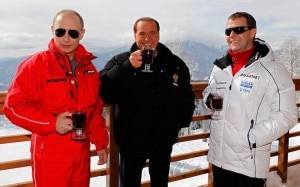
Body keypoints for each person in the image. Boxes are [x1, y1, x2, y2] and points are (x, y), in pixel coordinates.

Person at [3, 9, 109, 187]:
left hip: (81, 156)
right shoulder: (36, 65)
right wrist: (53, 123)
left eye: (73, 33)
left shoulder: (88, 69)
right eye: (61, 32)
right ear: (52, 30)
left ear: (82, 34)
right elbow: (13, 107)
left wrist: (100, 142)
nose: (66, 38)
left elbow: (95, 110)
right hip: (50, 156)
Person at [202, 12, 297, 187]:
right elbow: (208, 95)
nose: (232, 35)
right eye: (228, 31)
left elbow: (288, 115)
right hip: (219, 158)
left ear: (253, 32)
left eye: (238, 29)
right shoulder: (220, 67)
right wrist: (208, 101)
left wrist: (252, 138)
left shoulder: (273, 70)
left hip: (249, 163)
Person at [100, 17, 195, 187]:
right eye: (142, 33)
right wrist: (127, 67)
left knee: (160, 183)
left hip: (162, 140)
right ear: (134, 35)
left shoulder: (174, 64)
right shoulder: (120, 61)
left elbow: (186, 96)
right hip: (131, 141)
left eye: (152, 33)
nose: (147, 38)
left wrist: (178, 123)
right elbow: (104, 91)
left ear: (158, 35)